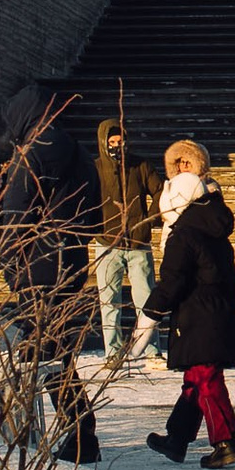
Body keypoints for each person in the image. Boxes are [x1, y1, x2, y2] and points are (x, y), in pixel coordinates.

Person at [0, 94, 102, 462]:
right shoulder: (77, 149)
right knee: (56, 349)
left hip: (38, 259)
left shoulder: (35, 150)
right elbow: (96, 213)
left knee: (46, 351)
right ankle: (79, 431)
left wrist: (10, 259)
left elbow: (16, 211)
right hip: (70, 255)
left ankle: (74, 432)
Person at [145, 141, 235, 467]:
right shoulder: (210, 221)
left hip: (199, 314)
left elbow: (172, 280)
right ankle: (177, 439)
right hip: (215, 311)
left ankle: (225, 442)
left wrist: (149, 315)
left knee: (204, 379)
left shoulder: (185, 232)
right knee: (195, 379)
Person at [93, 116, 165, 370]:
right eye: (112, 141)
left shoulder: (141, 165)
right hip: (107, 242)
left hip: (138, 241)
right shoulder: (96, 168)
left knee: (146, 300)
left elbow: (159, 190)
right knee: (108, 301)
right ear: (104, 142)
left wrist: (150, 219)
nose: (117, 145)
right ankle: (112, 351)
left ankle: (152, 349)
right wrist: (96, 225)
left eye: (120, 140)